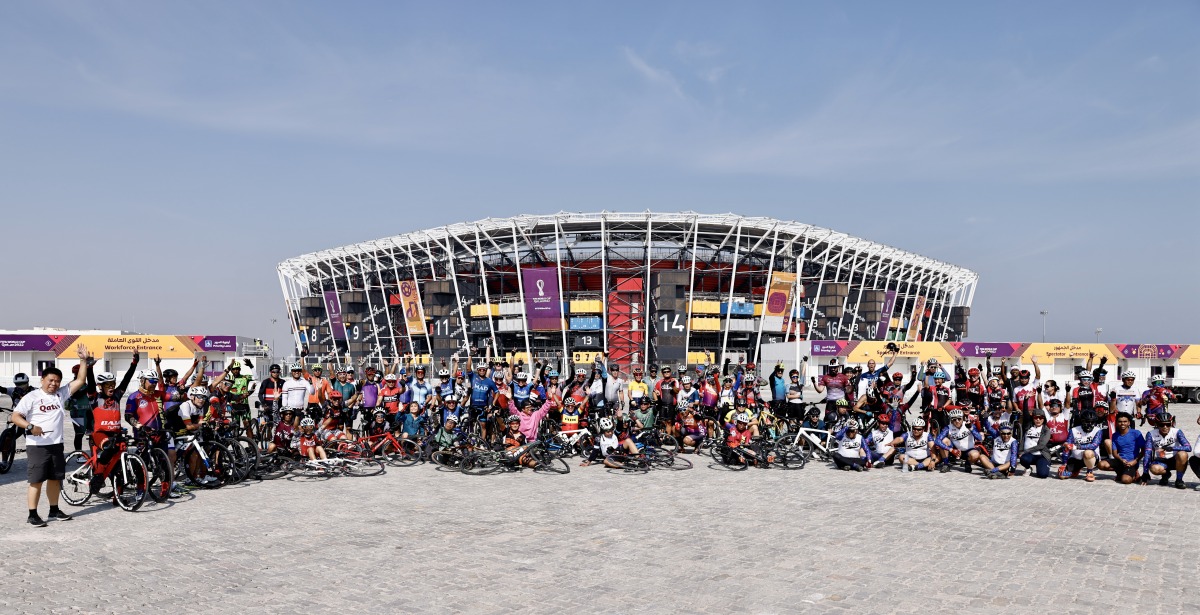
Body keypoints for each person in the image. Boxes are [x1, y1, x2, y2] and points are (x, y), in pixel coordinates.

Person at [11, 344, 90, 526]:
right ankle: (32, 514)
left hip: (57, 444)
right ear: (42, 380)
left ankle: (54, 510)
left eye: (57, 381)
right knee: (36, 481)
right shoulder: (31, 397)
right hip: (37, 446)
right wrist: (30, 426)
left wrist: (83, 360)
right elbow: (15, 416)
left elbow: (80, 380)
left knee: (55, 479)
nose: (54, 384)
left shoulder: (60, 395)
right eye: (51, 380)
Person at [1141, 412, 1190, 489]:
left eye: (1168, 424)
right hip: (1161, 460)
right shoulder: (1151, 434)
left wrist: (1172, 448)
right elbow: (1147, 453)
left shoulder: (1177, 432)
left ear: (1171, 423)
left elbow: (1188, 447)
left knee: (1183, 454)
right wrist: (1145, 472)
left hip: (1175, 459)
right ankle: (1166, 474)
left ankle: (1179, 480)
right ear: (1156, 424)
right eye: (1161, 424)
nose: (1165, 427)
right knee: (1154, 469)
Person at [1099, 413, 1145, 485]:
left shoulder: (1136, 433)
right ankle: (1121, 472)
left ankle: (1134, 474)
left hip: (1132, 462)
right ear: (1117, 423)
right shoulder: (1115, 435)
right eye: (1120, 421)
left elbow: (1143, 450)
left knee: (1125, 480)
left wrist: (1135, 461)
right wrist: (1121, 460)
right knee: (1101, 464)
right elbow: (1114, 453)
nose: (1122, 424)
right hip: (1121, 461)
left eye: (1125, 421)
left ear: (1129, 423)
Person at [936, 409, 984, 474]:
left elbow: (980, 438)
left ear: (962, 418)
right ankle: (946, 464)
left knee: (975, 455)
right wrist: (950, 450)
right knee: (944, 440)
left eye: (959, 419)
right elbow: (937, 440)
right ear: (951, 420)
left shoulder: (969, 424)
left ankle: (968, 463)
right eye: (954, 419)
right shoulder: (948, 428)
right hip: (955, 450)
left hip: (968, 450)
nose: (957, 421)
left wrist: (971, 428)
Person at [1060, 410, 1102, 482]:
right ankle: (1076, 469)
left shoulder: (1098, 430)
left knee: (1088, 453)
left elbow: (1094, 445)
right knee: (1062, 476)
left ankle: (1090, 471)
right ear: (1082, 421)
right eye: (1087, 421)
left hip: (1091, 457)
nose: (1090, 424)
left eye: (1092, 422)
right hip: (1076, 458)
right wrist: (1064, 463)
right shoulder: (1073, 430)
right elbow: (1067, 446)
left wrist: (1077, 446)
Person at [1018, 410, 1051, 478]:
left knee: (1043, 475)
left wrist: (1025, 451)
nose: (1038, 420)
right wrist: (1021, 451)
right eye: (1036, 417)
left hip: (1041, 455)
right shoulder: (1028, 427)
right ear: (1033, 418)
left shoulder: (1046, 430)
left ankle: (1042, 465)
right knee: (1023, 458)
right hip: (1030, 455)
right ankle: (1028, 468)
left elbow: (1041, 446)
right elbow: (1023, 440)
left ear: (1044, 419)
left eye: (1040, 418)